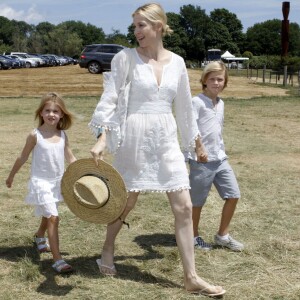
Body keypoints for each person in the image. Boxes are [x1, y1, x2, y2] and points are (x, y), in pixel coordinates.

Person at [89, 3, 225, 297]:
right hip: (134, 137)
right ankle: (108, 248)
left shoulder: (177, 62)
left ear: (159, 27)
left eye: (141, 25)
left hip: (166, 138)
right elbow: (111, 100)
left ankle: (191, 276)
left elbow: (185, 108)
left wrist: (197, 143)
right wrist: (103, 138)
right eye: (135, 26)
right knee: (125, 202)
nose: (136, 31)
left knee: (184, 207)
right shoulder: (125, 59)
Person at [6, 92, 76, 273]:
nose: (52, 114)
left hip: (57, 182)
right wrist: (11, 175)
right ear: (41, 113)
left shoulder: (62, 135)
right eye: (48, 110)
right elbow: (22, 157)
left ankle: (39, 236)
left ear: (62, 114)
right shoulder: (35, 135)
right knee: (53, 217)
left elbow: (71, 158)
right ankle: (58, 260)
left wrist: (83, 174)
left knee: (48, 213)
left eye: (56, 111)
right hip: (41, 182)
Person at [187, 61, 244, 252]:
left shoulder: (221, 103)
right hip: (201, 160)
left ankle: (222, 236)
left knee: (233, 194)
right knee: (197, 202)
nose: (216, 83)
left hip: (220, 158)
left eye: (220, 79)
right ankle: (193, 237)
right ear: (204, 80)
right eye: (212, 79)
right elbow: (191, 127)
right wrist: (199, 147)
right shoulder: (197, 102)